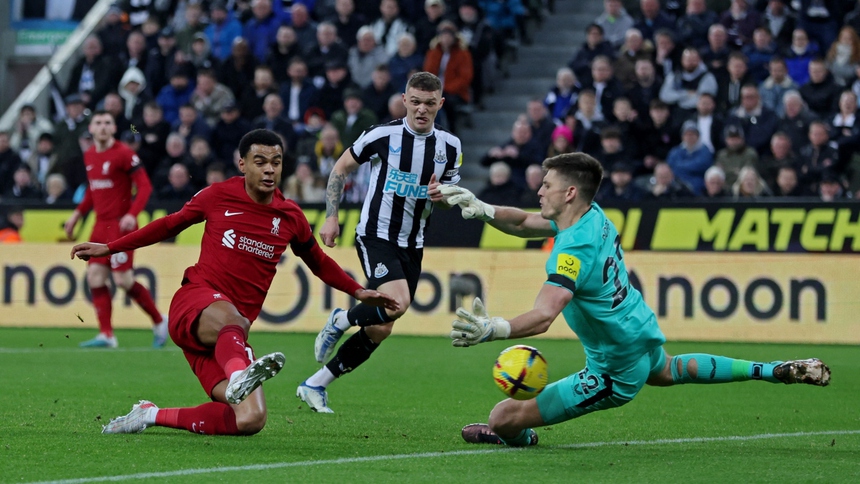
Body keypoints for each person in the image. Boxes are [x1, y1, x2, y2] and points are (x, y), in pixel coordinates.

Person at [434, 152, 831, 447]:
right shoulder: (590, 214)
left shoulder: (573, 250)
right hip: (639, 331)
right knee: (670, 370)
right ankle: (771, 369)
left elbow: (543, 316)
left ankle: (521, 438)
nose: (538, 191)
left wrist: (494, 328)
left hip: (614, 367)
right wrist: (483, 208)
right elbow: (522, 222)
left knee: (502, 416)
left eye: (546, 185)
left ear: (569, 192)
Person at [70, 129, 397, 436]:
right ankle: (240, 372)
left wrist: (357, 290)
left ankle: (149, 414)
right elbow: (170, 225)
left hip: (229, 338)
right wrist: (111, 247)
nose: (269, 170)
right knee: (232, 318)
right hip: (196, 305)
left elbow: (319, 263)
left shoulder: (290, 217)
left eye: (276, 162)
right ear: (242, 164)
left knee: (250, 419)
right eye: (260, 162)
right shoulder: (218, 195)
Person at [297, 72, 462, 413]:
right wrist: (331, 215)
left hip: (413, 242)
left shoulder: (450, 146)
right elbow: (340, 168)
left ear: (440, 105)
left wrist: (442, 196)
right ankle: (340, 321)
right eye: (415, 102)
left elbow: (449, 197)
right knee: (396, 303)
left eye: (429, 104)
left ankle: (316, 384)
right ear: (404, 100)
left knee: (382, 327)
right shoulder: (382, 134)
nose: (421, 110)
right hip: (375, 234)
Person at [63, 111, 166, 349]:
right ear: (90, 127)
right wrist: (78, 214)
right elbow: (93, 189)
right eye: (98, 123)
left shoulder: (124, 154)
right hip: (100, 225)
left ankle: (160, 321)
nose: (102, 127)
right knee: (95, 276)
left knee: (122, 280)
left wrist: (132, 214)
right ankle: (107, 334)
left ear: (113, 127)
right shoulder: (89, 155)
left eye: (107, 123)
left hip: (121, 226)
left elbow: (145, 187)